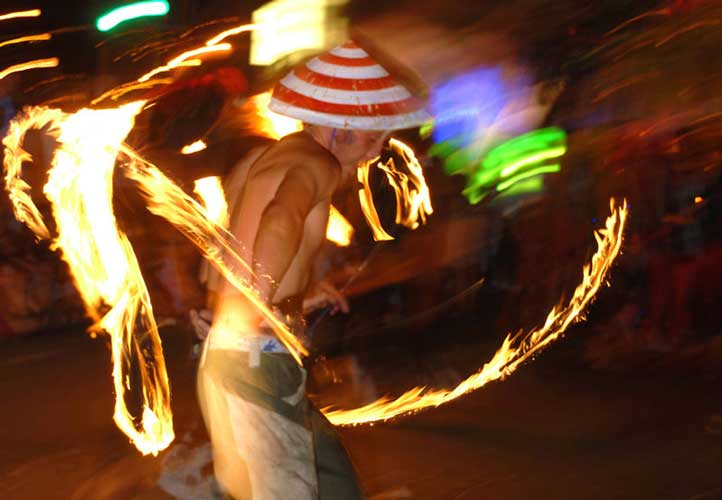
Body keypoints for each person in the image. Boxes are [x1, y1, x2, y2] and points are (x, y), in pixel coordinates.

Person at [196, 39, 429, 499]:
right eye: (372, 135)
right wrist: (255, 302)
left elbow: (224, 240)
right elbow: (280, 220)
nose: (377, 151)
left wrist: (290, 291)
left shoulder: (262, 159)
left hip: (242, 350)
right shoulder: (316, 163)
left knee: (333, 484)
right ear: (341, 125)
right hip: (256, 355)